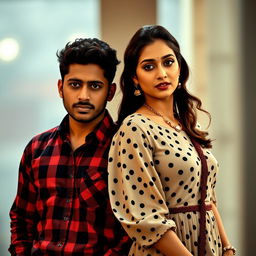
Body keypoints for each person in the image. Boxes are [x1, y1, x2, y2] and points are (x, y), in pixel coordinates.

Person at [108, 25, 236, 256]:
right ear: (135, 78)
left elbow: (208, 200)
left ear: (179, 67)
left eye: (168, 62)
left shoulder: (187, 125)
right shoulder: (134, 128)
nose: (161, 73)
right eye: (149, 67)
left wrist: (227, 248)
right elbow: (146, 218)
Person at [9, 38, 131, 255]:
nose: (84, 96)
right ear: (60, 87)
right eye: (75, 84)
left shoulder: (125, 150)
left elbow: (131, 231)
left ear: (110, 92)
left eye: (95, 86)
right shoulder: (36, 149)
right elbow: (21, 219)